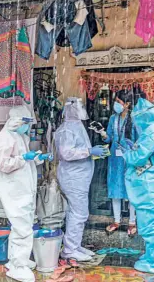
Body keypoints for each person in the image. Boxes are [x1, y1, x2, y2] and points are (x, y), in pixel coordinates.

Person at [0, 105, 50, 282]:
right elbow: (4, 164)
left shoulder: (19, 136)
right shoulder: (5, 138)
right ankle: (18, 266)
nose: (28, 126)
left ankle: (15, 260)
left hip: (23, 188)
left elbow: (26, 163)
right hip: (14, 190)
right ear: (17, 120)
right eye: (26, 122)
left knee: (20, 226)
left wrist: (38, 158)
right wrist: (23, 158)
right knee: (23, 228)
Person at [122, 97, 154, 275]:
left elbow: (139, 158)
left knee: (147, 226)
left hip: (148, 187)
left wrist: (127, 153)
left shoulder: (150, 132)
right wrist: (135, 147)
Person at [55, 97, 108, 262]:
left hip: (79, 177)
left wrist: (91, 152)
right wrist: (90, 151)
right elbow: (66, 153)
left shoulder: (77, 126)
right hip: (73, 178)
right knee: (79, 213)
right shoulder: (66, 130)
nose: (83, 108)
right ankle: (70, 249)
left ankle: (75, 246)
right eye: (81, 106)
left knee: (77, 213)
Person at [100, 90, 138, 236]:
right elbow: (108, 139)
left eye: (119, 102)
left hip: (129, 160)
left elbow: (139, 140)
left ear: (127, 104)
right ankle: (117, 220)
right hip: (115, 160)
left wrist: (133, 148)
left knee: (131, 191)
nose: (116, 104)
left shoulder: (133, 119)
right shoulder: (112, 118)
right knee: (115, 190)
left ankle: (132, 222)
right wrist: (103, 134)